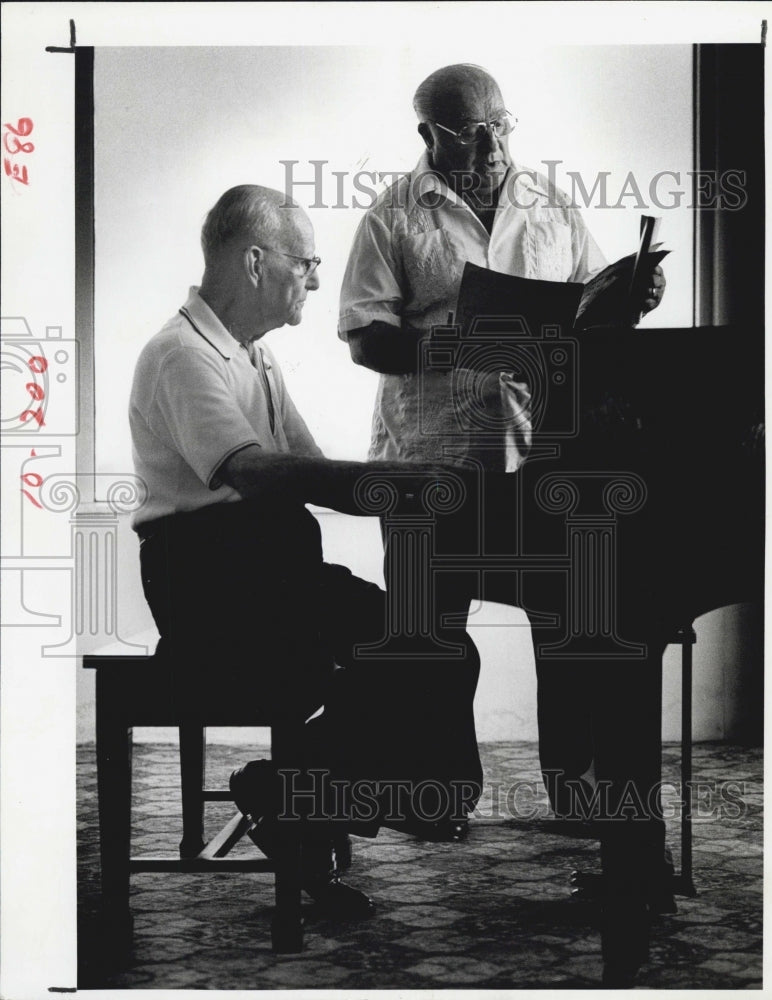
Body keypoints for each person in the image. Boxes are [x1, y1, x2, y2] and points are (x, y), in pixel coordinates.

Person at [338, 64, 669, 982]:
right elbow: (365, 336)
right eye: (466, 132)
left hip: (540, 450)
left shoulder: (552, 202)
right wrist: (468, 343)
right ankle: (434, 794)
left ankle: (574, 788)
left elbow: (589, 314)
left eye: (498, 126)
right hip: (431, 454)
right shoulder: (391, 215)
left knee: (566, 622)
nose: (489, 146)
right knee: (427, 633)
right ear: (427, 135)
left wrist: (626, 304)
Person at [129, 184, 482, 921]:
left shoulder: (253, 357)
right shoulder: (179, 355)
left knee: (441, 648)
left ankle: (292, 800)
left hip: (273, 573)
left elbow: (314, 470)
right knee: (397, 658)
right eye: (308, 262)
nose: (317, 282)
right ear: (256, 262)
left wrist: (418, 484)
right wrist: (400, 480)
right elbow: (253, 472)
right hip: (210, 582)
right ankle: (300, 804)